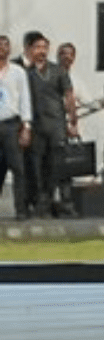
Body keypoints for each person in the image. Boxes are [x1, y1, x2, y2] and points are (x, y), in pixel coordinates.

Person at [21, 31, 77, 218]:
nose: (42, 51)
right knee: (39, 168)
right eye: (38, 47)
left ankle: (67, 203)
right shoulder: (26, 73)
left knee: (61, 165)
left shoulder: (58, 70)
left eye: (44, 47)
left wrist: (72, 121)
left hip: (57, 125)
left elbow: (69, 95)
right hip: (37, 127)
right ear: (30, 50)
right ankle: (43, 204)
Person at [0, 36, 35, 220]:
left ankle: (20, 209)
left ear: (10, 49)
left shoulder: (17, 72)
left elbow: (25, 99)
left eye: (5, 45)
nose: (2, 49)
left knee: (18, 168)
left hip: (11, 125)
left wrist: (26, 126)